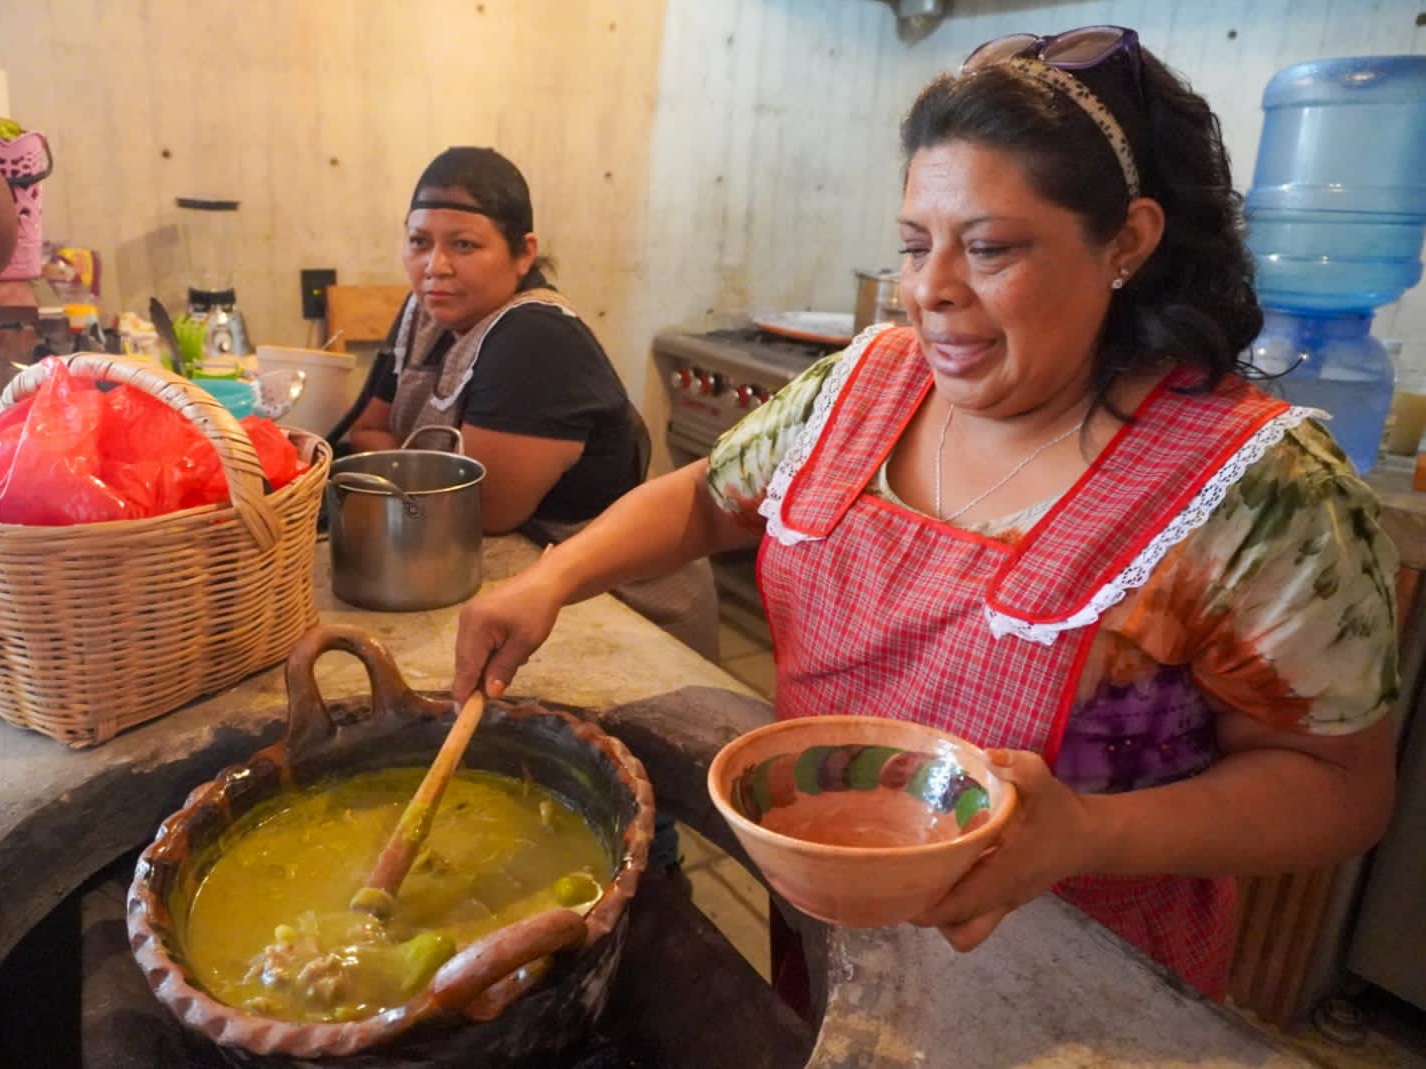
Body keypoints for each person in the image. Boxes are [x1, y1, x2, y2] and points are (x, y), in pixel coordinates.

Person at [451, 26, 1398, 1002]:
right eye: (914, 244)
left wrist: (1087, 829)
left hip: (1077, 994)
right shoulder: (863, 384)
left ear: (1127, 240)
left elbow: (1338, 786)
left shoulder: (1258, 488)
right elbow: (705, 498)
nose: (931, 290)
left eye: (987, 247)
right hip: (830, 935)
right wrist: (548, 579)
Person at [341, 146, 718, 658]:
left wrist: (394, 456)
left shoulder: (534, 337)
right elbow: (361, 432)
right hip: (512, 568)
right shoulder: (424, 311)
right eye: (419, 242)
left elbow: (477, 509)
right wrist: (407, 466)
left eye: (465, 245)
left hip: (621, 601)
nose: (435, 266)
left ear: (523, 253)